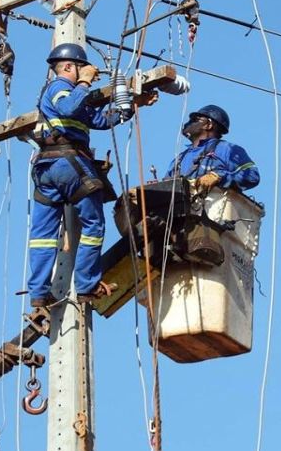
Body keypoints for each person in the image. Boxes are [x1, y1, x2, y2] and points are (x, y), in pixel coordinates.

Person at [28, 42, 155, 307]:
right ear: (67, 66)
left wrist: (132, 105)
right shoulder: (59, 88)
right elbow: (67, 108)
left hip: (47, 171)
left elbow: (100, 120)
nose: (87, 72)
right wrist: (84, 83)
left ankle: (39, 293)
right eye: (80, 68)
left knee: (43, 235)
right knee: (93, 225)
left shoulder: (72, 96)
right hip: (67, 164)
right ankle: (85, 285)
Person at [167, 104, 260, 192]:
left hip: (213, 206)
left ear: (208, 125)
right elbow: (165, 186)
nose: (188, 123)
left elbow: (252, 175)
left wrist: (220, 177)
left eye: (195, 120)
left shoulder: (227, 149)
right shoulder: (180, 159)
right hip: (180, 208)